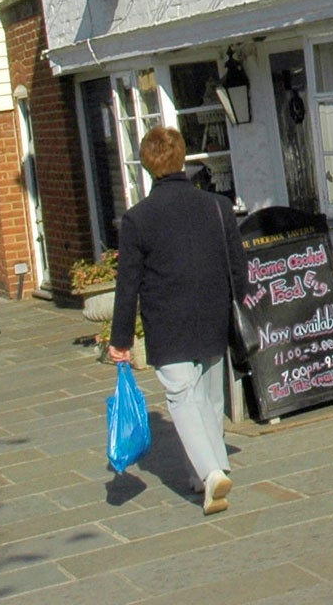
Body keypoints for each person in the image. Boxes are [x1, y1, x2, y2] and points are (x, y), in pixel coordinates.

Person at [108, 125, 248, 515]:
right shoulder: (217, 207)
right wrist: (240, 305)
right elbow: (239, 267)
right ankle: (206, 472)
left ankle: (211, 473)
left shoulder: (137, 219)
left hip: (167, 320)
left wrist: (120, 339)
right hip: (213, 313)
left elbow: (128, 285)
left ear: (146, 164)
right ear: (182, 156)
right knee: (209, 398)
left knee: (182, 398)